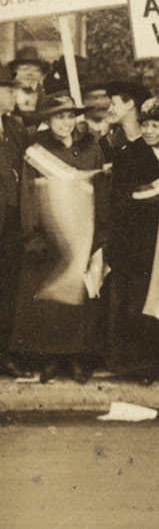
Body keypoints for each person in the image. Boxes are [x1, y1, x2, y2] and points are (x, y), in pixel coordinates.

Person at [8, 96, 107, 383]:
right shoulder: (37, 152)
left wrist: (102, 230)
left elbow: (101, 189)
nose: (64, 123)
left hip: (83, 231)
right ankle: (52, 358)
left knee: (81, 299)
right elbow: (28, 195)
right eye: (58, 117)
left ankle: (78, 358)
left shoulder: (91, 147)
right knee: (53, 301)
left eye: (69, 117)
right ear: (48, 121)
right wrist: (33, 234)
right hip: (51, 234)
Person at [107, 95, 159, 383]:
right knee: (142, 302)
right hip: (141, 244)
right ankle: (143, 365)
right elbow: (119, 201)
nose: (149, 131)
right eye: (145, 125)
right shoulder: (127, 156)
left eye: (156, 125)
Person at [0, 65, 27, 377]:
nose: (14, 94)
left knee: (7, 289)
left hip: (11, 223)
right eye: (9, 89)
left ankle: (3, 352)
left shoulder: (15, 127)